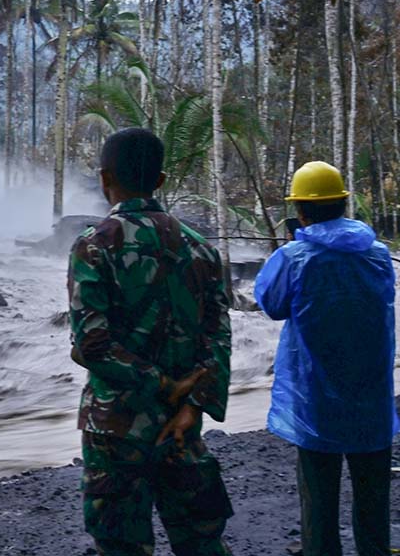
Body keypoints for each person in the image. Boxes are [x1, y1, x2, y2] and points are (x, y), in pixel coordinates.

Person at [69, 127, 233, 556]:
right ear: (160, 181)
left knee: (122, 546)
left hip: (115, 428)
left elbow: (92, 344)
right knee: (201, 543)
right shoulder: (201, 249)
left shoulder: (94, 246)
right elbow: (218, 335)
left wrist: (160, 384)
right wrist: (192, 403)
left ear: (105, 179)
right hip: (181, 428)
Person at [255, 160, 399, 556]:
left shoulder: (295, 257)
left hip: (315, 400)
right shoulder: (379, 254)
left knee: (319, 503)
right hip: (371, 396)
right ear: (342, 204)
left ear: (300, 210)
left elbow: (271, 303)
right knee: (373, 500)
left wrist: (291, 245)